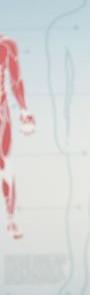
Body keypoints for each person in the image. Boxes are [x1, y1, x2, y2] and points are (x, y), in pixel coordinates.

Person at [0, 34, 35, 240]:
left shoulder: (6, 45)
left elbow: (16, 80)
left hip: (1, 112)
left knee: (5, 166)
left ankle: (11, 219)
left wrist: (24, 111)